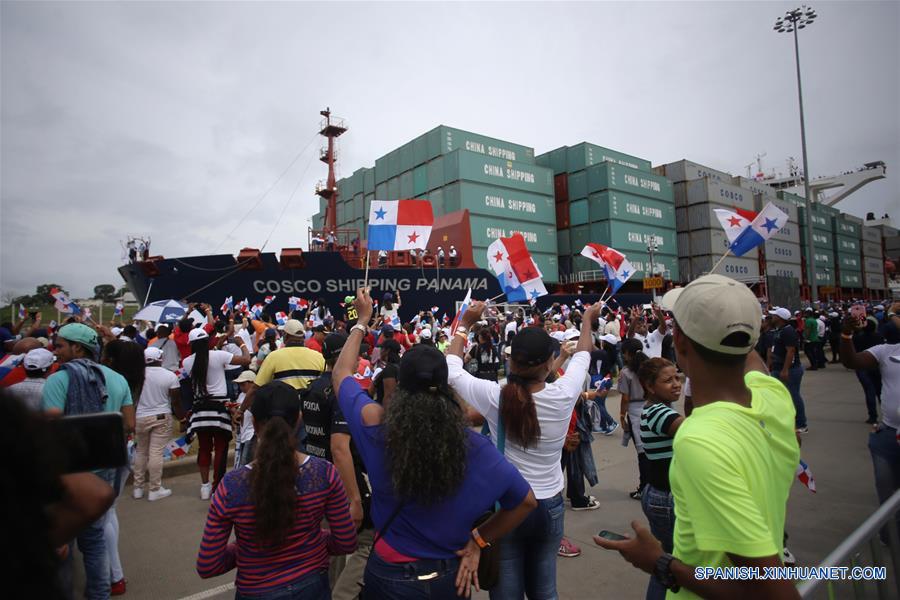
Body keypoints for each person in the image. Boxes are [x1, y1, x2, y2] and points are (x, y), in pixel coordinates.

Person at [595, 274, 801, 599]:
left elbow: (773, 593)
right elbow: (753, 362)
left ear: (678, 342)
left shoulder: (698, 440)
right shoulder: (772, 394)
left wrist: (661, 563)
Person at [334, 289, 537, 599]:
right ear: (444, 388)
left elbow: (341, 373)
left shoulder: (377, 428)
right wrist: (479, 540)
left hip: (389, 574)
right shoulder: (474, 447)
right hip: (449, 576)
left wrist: (362, 321)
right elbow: (525, 502)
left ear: (400, 387)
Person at [447, 298, 600, 599]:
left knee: (507, 591)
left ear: (511, 361)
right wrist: (586, 321)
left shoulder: (496, 396)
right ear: (549, 364)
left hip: (508, 505)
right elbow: (584, 353)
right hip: (550, 505)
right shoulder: (565, 393)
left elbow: (451, 370)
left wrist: (464, 324)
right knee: (545, 589)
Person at [197, 381, 358, 599]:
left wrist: (243, 549)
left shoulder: (231, 485)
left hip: (255, 589)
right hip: (312, 586)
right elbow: (346, 541)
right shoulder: (324, 474)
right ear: (299, 419)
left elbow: (208, 564)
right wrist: (312, 541)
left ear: (253, 423)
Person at [42, 323, 136, 600]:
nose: (54, 350)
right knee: (94, 540)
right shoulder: (117, 379)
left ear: (77, 347)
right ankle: (100, 594)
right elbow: (129, 424)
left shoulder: (59, 380)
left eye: (59, 345)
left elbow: (52, 424)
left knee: (63, 542)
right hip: (105, 468)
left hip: (67, 472)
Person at [2, 389, 118, 600]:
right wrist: (47, 450)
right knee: (94, 539)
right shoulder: (23, 536)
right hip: (61, 492)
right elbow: (97, 496)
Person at [840, 307, 900, 541]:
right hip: (889, 434)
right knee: (886, 489)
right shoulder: (886, 351)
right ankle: (890, 533)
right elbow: (852, 361)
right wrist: (846, 335)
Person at [636, 358, 685, 600]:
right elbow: (693, 431)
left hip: (662, 495)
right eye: (668, 380)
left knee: (669, 562)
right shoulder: (658, 412)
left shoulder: (660, 408)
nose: (676, 384)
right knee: (672, 564)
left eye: (677, 377)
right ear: (650, 386)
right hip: (666, 499)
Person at [183, 327, 251, 499]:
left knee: (204, 448)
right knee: (221, 448)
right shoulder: (218, 356)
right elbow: (246, 359)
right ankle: (217, 487)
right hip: (219, 408)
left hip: (200, 410)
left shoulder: (187, 362)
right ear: (207, 341)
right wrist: (242, 343)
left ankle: (204, 486)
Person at [244, 319, 326, 450]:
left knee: (285, 453)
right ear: (303, 337)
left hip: (285, 417)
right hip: (313, 414)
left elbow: (256, 388)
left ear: (286, 336)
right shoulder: (318, 357)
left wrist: (241, 410)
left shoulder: (274, 357)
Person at [133, 347, 181, 502]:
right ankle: (154, 489)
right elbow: (175, 400)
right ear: (160, 359)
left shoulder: (137, 375)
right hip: (161, 415)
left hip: (140, 416)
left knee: (141, 451)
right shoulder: (170, 376)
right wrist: (182, 418)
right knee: (156, 452)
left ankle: (138, 488)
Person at [619, 337, 650, 500]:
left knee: (641, 452)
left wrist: (622, 416)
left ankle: (644, 486)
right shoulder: (650, 367)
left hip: (635, 409)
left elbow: (625, 398)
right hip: (650, 406)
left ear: (628, 354)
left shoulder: (626, 372)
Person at [767, 307, 807, 433]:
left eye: (774, 316)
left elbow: (791, 351)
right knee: (776, 395)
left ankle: (801, 424)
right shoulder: (780, 330)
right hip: (777, 368)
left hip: (790, 369)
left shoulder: (788, 331)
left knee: (793, 396)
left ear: (779, 318)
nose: (772, 317)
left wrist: (785, 370)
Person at [851, 317, 884, 425]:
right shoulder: (879, 337)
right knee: (880, 391)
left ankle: (872, 416)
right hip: (876, 365)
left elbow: (853, 351)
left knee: (869, 391)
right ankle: (886, 414)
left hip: (862, 366)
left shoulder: (857, 338)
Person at [232, 370, 258, 469]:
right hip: (242, 434)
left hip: (251, 434)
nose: (241, 387)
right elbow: (238, 415)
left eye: (243, 384)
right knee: (242, 463)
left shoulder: (256, 396)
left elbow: (257, 412)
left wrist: (243, 407)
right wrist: (234, 409)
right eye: (239, 384)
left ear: (252, 383)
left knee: (245, 465)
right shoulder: (241, 396)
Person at [371, 339, 401, 407]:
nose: (380, 352)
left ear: (387, 351)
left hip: (386, 411)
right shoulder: (401, 366)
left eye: (382, 349)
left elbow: (388, 397)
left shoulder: (390, 369)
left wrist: (385, 416)